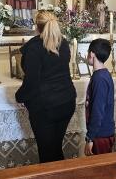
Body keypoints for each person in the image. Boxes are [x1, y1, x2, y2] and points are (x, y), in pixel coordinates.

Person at [15, 10, 76, 163]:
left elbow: (32, 81)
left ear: (37, 26)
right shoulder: (63, 43)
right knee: (55, 148)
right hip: (66, 102)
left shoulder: (34, 48)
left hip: (45, 107)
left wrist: (19, 96)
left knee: (47, 153)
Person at [84, 38, 115, 156]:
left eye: (88, 52)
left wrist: (90, 138)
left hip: (100, 135)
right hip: (102, 132)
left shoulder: (99, 79)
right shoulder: (103, 74)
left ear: (92, 53)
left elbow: (97, 111)